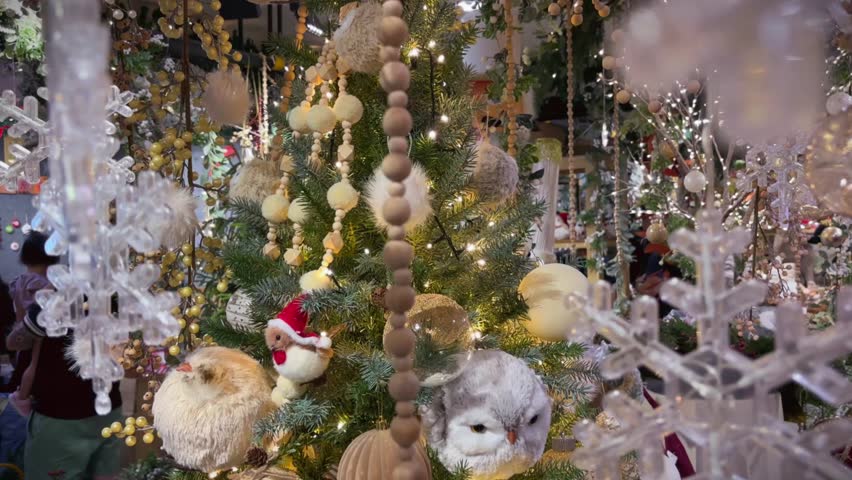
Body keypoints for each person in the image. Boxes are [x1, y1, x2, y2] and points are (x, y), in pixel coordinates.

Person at [6, 303, 123, 480]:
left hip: (59, 421)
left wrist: (34, 318)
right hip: (109, 412)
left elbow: (13, 342)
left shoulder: (55, 299)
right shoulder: (120, 296)